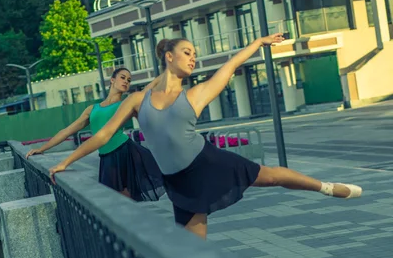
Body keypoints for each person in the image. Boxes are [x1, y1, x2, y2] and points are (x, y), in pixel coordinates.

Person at [48, 35, 362, 239]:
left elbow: (231, 65)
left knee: (270, 176)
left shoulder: (196, 94)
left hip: (206, 162)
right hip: (179, 182)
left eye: (195, 54)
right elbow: (102, 136)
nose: (193, 58)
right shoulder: (137, 100)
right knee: (193, 252)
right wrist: (65, 162)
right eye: (187, 52)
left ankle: (326, 187)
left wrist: (259, 42)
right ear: (168, 57)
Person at [27, 67, 164, 201]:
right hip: (106, 158)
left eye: (129, 80)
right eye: (122, 77)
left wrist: (169, 71)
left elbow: (148, 89)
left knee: (124, 200)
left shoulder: (127, 104)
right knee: (114, 202)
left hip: (124, 153)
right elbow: (66, 131)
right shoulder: (92, 109)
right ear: (112, 80)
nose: (126, 81)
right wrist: (42, 149)